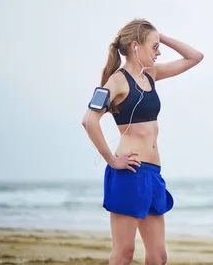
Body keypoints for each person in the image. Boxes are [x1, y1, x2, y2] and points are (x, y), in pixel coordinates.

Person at [81, 18, 204, 265]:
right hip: (130, 172)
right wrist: (112, 160)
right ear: (135, 46)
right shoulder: (117, 81)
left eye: (159, 47)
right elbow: (89, 120)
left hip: (153, 174)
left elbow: (195, 57)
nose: (158, 52)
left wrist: (160, 36)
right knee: (124, 254)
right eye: (154, 47)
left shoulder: (151, 75)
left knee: (158, 257)